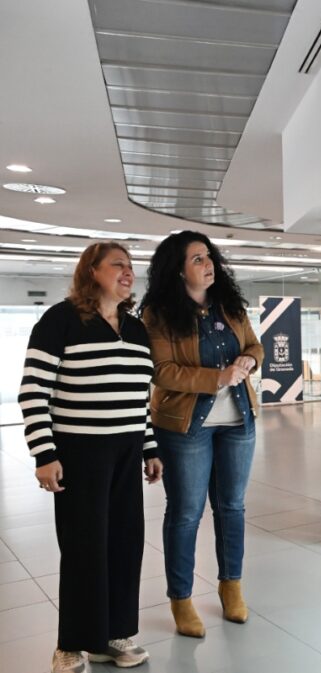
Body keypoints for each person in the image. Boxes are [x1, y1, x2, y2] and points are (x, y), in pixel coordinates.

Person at [19, 242, 162, 673]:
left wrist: (149, 447)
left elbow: (141, 398)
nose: (128, 272)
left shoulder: (136, 329)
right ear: (91, 271)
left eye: (131, 266)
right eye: (118, 264)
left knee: (124, 542)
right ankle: (73, 643)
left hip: (126, 451)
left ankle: (115, 635)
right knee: (84, 547)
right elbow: (33, 392)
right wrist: (44, 454)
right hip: (80, 453)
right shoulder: (60, 320)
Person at [138, 231, 264, 639]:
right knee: (186, 513)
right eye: (196, 259)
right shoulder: (157, 315)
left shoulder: (228, 305)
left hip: (238, 422)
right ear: (177, 268)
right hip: (184, 427)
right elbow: (162, 370)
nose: (207, 264)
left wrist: (248, 358)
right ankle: (181, 598)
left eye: (208, 257)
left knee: (232, 508)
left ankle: (232, 587)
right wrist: (218, 377)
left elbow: (256, 347)